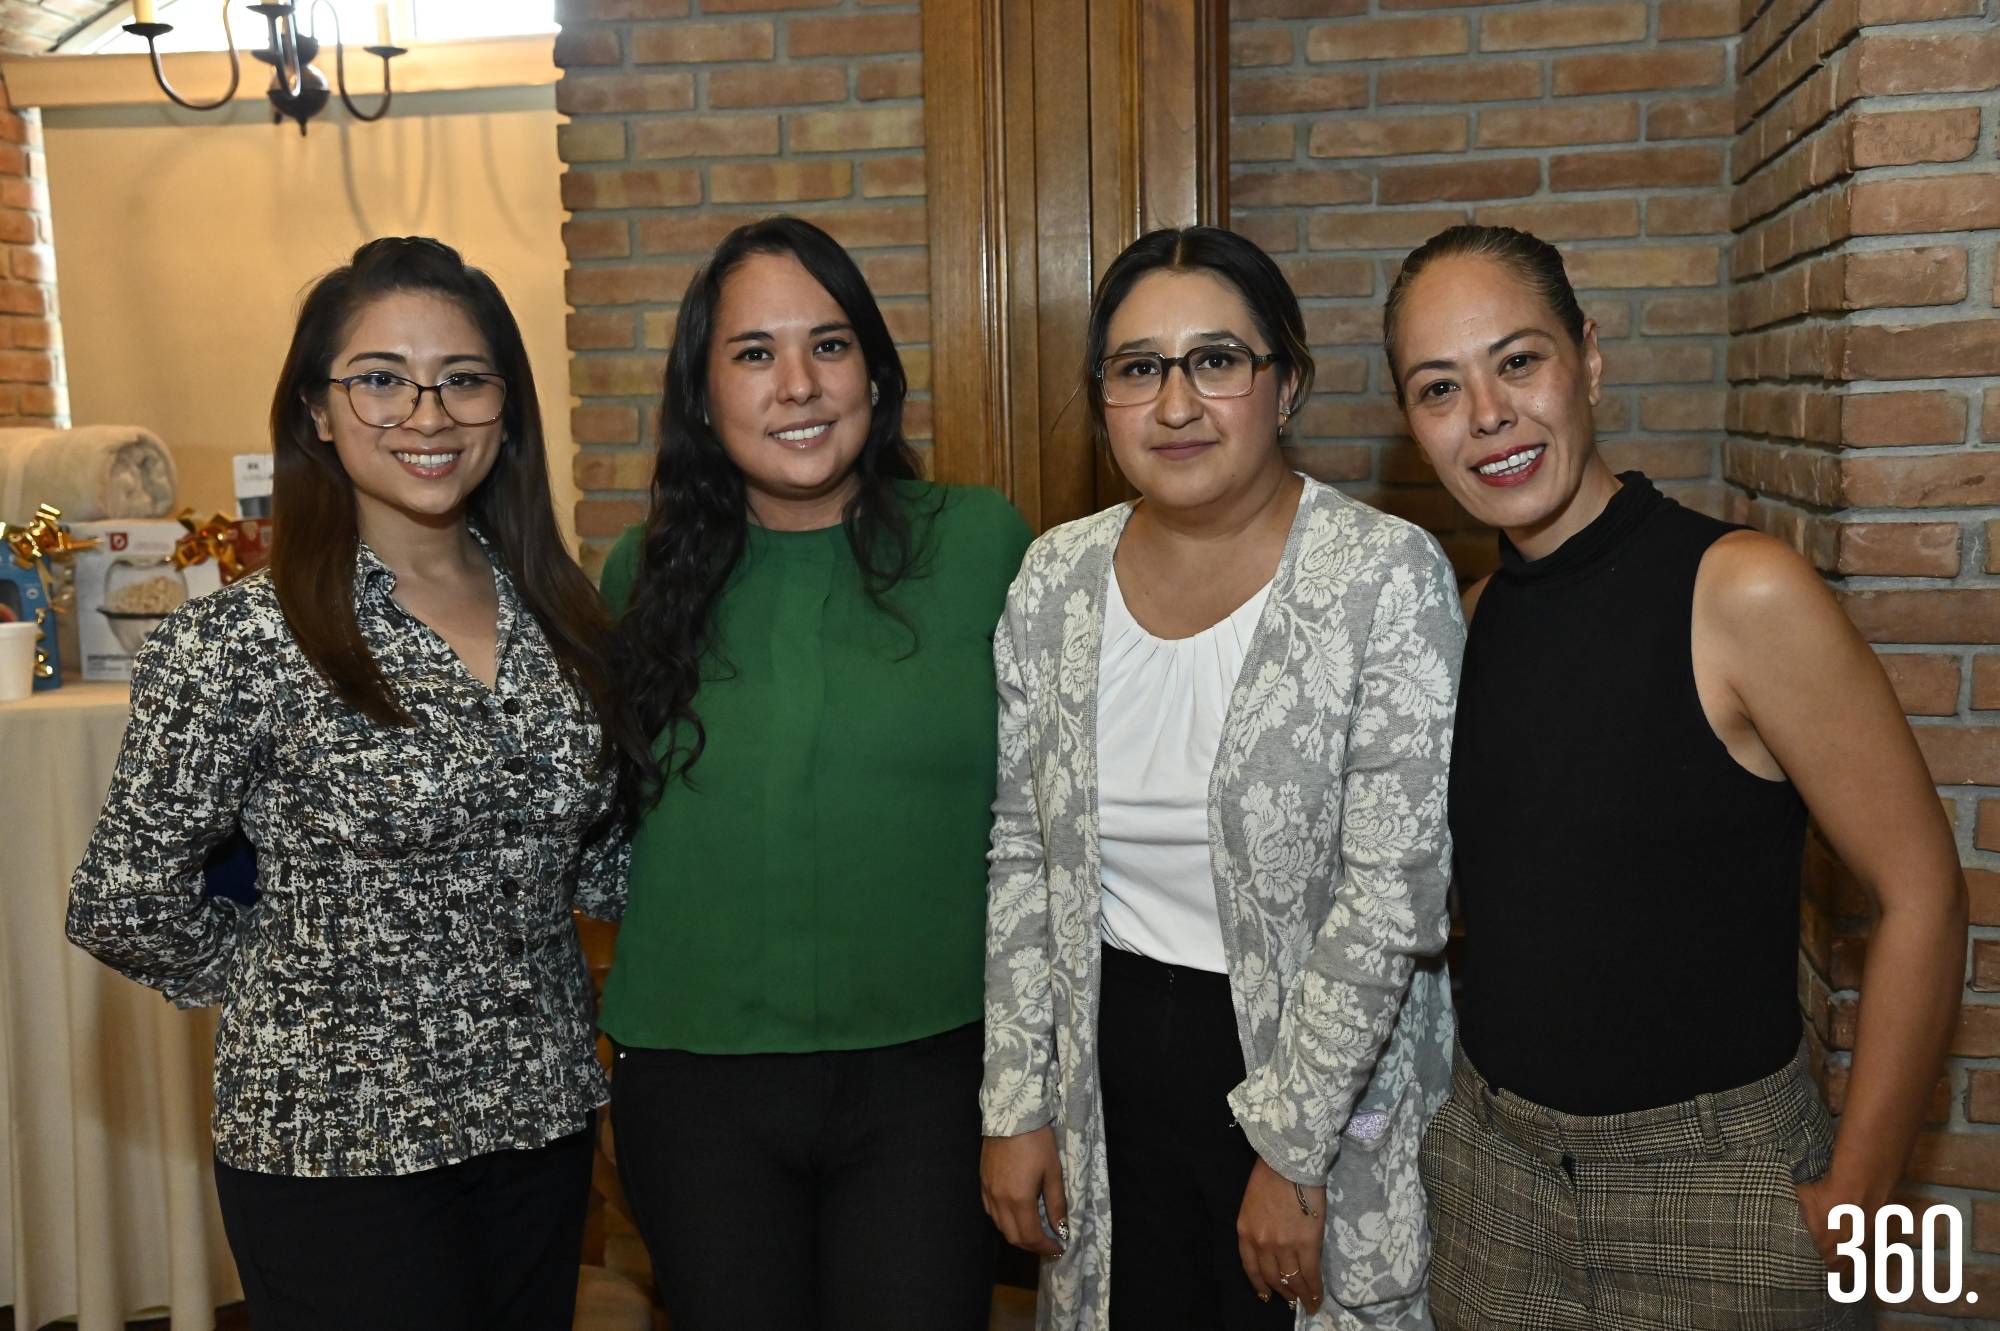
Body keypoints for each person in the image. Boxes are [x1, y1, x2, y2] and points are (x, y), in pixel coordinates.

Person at [1387, 224, 1967, 1331]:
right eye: (1437, 388)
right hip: (1494, 1186)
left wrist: (1855, 1202)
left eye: (1518, 361)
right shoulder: (1462, 627)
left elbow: (1925, 894)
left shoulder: (1739, 591)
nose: (1487, 415)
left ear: (1587, 358)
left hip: (1718, 1195)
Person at [66, 236, 633, 1331]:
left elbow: (600, 862)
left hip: (540, 1121)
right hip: (335, 1142)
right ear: (316, 412)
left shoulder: (563, 618)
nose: (428, 412)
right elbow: (123, 898)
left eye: (463, 378)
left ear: (506, 409)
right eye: (379, 378)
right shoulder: (237, 642)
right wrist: (297, 984)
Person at [979, 225, 1464, 1331]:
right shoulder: (1053, 578)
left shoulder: (1381, 576)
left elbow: (1394, 893)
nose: (1175, 404)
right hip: (1106, 1076)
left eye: (1216, 361)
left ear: (1283, 382)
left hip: (1320, 1083)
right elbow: (1017, 845)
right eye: (1137, 368)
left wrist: (1290, 1150)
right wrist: (1016, 1099)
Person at [599, 215, 1033, 1331]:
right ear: (702, 395)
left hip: (931, 1079)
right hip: (695, 1085)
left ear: (876, 379)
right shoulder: (635, 574)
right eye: (753, 353)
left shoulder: (984, 544)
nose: (796, 383)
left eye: (828, 346)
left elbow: (1048, 820)